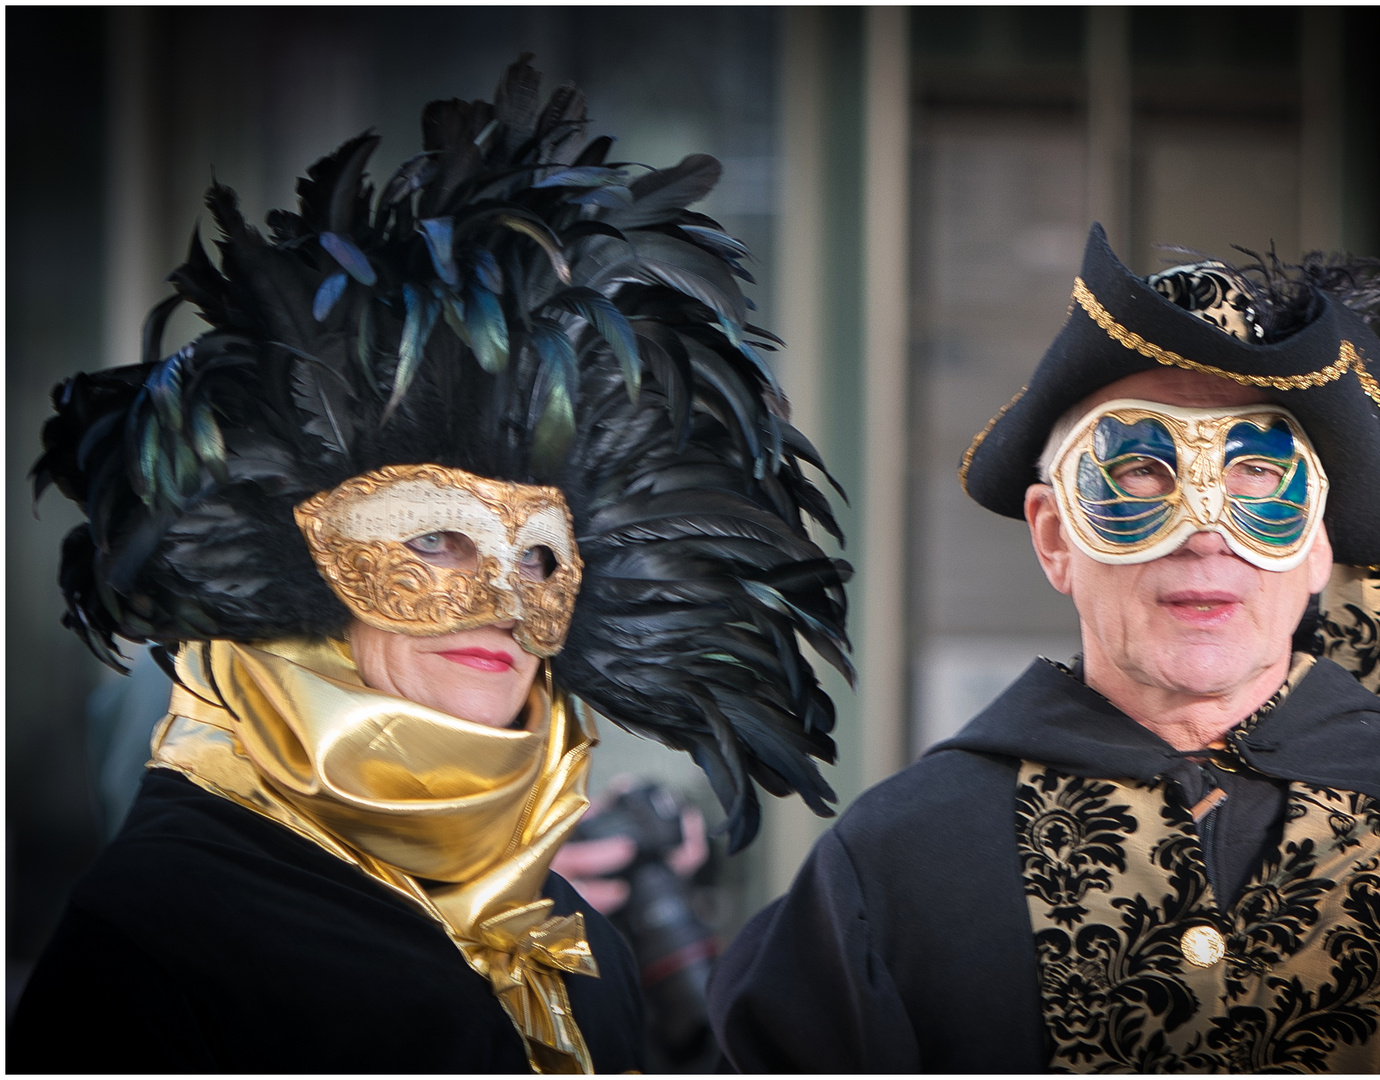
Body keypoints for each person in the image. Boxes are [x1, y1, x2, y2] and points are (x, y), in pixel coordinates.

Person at [13, 57, 851, 1073]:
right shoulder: (162, 935)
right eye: (434, 536)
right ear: (309, 563)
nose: (503, 602)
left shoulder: (577, 941)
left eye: (541, 557)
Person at [708, 224, 1380, 1073]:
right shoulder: (895, 864)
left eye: (1258, 475)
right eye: (1140, 472)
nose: (1205, 531)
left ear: (1317, 546)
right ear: (1054, 537)